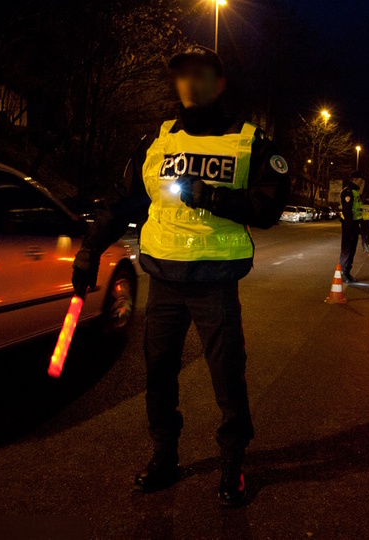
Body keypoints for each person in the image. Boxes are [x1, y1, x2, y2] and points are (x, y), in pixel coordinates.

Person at [70, 45, 290, 506]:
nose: (191, 83)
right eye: (183, 76)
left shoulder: (249, 140)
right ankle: (163, 456)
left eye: (201, 74)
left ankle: (233, 464)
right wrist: (90, 250)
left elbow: (269, 207)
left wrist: (211, 197)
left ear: (220, 82)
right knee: (159, 375)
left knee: (228, 378)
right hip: (165, 280)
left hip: (215, 283)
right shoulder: (160, 139)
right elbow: (123, 200)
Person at [338, 172, 363, 282]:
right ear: (354, 179)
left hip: (354, 225)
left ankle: (347, 272)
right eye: (360, 181)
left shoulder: (356, 192)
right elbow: (347, 211)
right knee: (347, 249)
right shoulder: (348, 192)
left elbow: (357, 210)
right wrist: (350, 226)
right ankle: (342, 273)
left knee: (352, 250)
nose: (362, 183)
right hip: (349, 226)